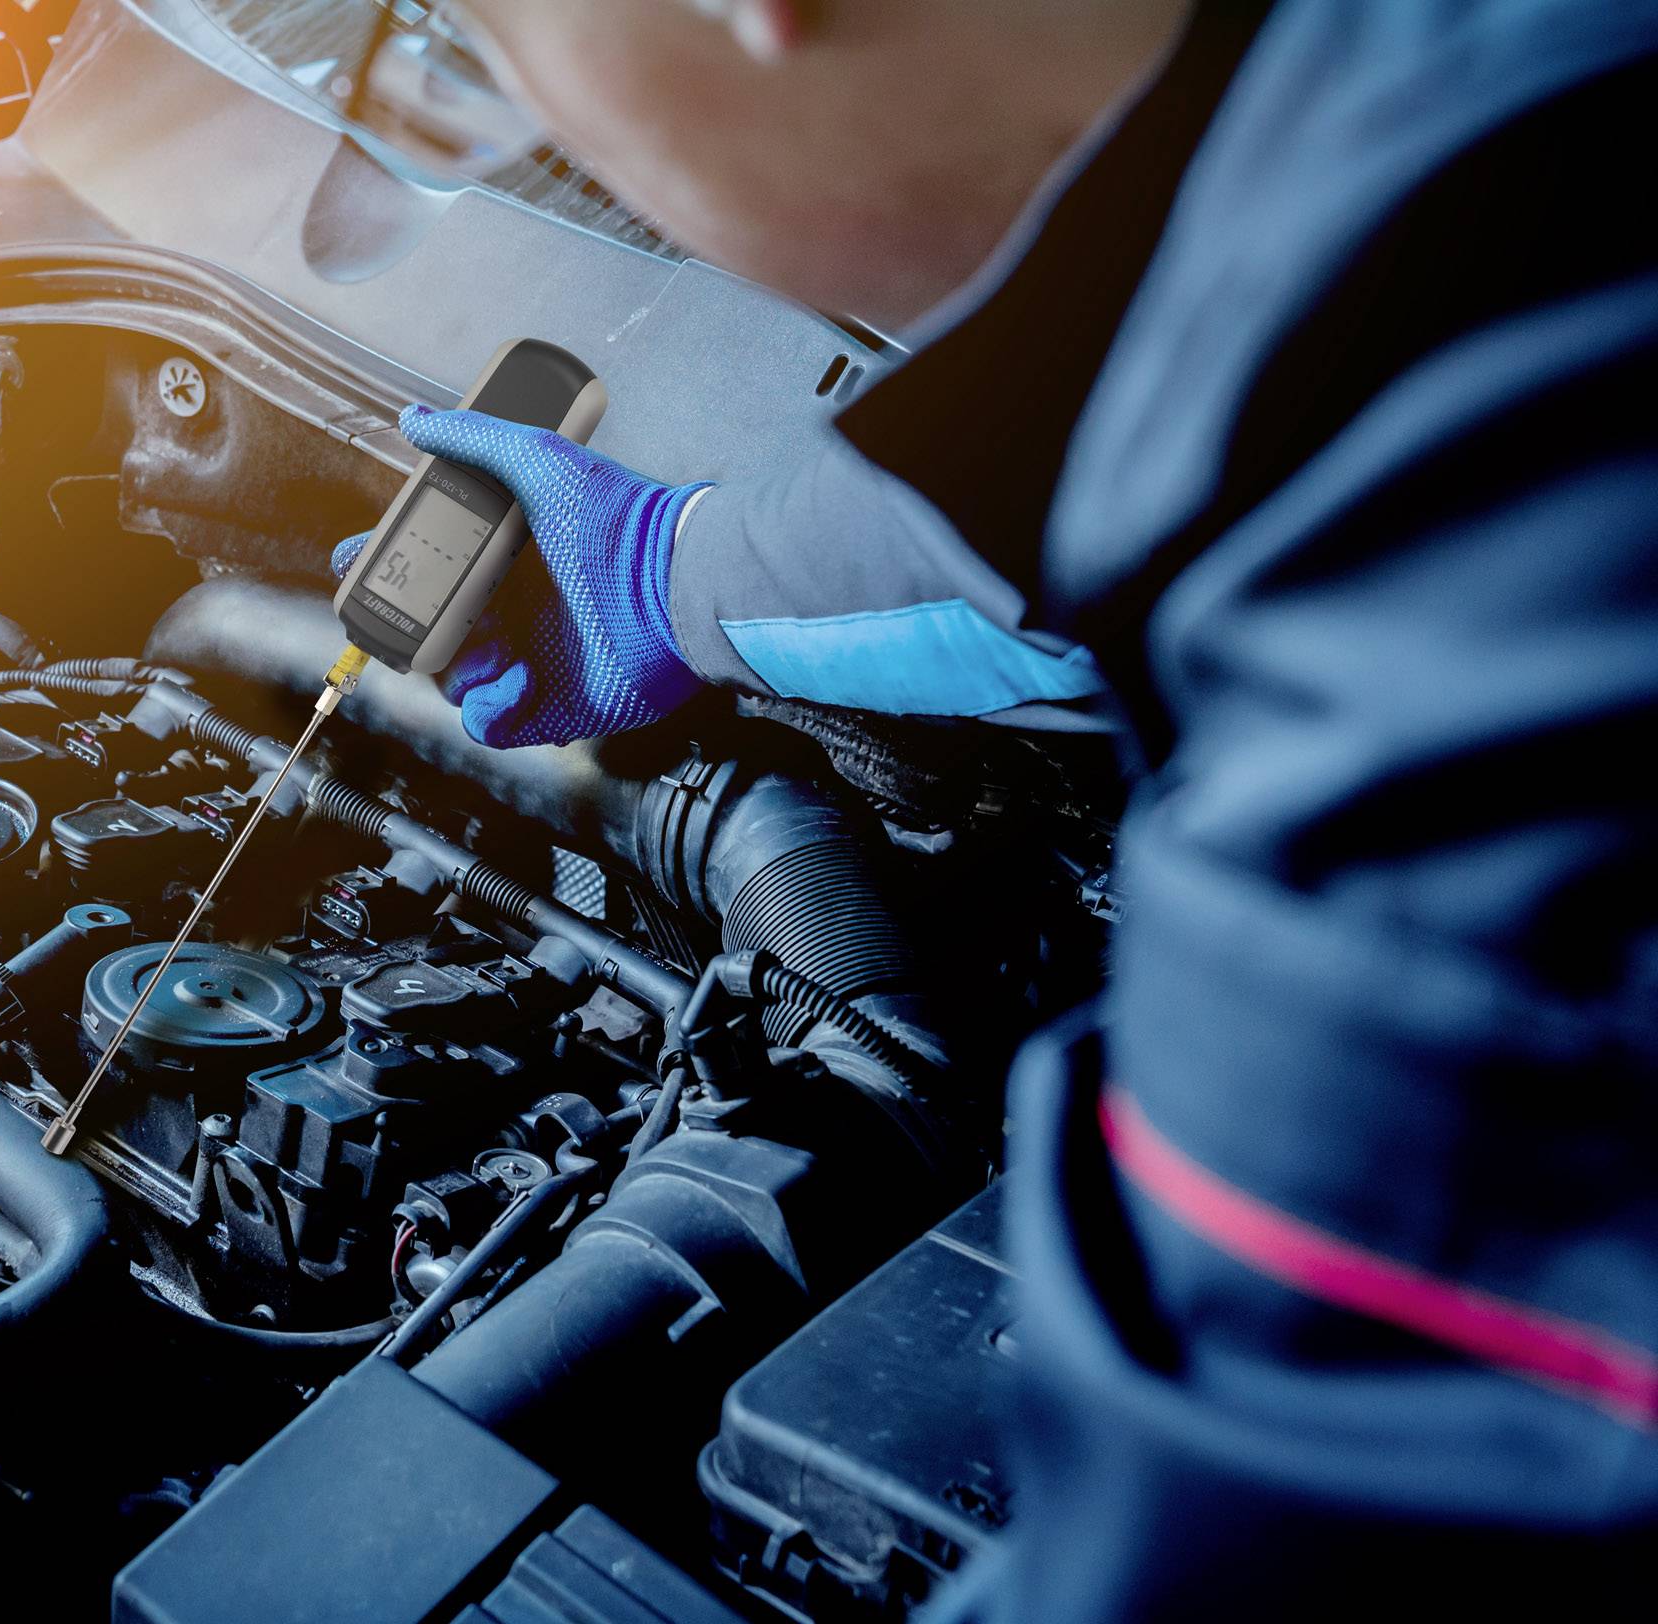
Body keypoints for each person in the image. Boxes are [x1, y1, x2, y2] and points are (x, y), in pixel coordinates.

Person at [336, 1, 1658, 1615]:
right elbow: (1108, 438)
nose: (496, 118)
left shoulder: (1489, 669)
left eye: (469, 58)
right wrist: (665, 573)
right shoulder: (1437, 136)